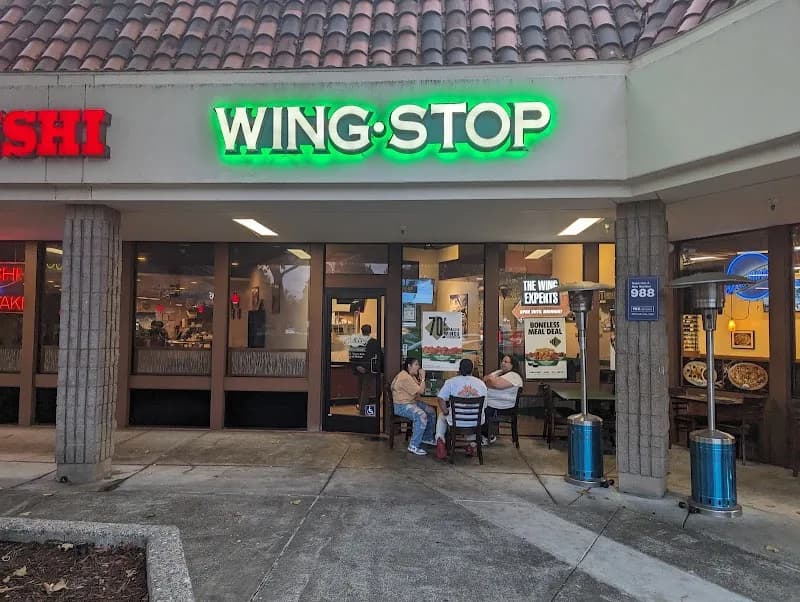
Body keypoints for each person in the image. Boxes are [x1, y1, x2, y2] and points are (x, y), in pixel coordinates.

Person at [434, 358, 488, 458]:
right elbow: (484, 406)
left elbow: (440, 398)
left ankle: (440, 439)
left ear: (459, 369)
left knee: (442, 416)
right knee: (477, 421)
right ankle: (471, 444)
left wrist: (446, 412)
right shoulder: (481, 384)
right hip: (475, 422)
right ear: (472, 370)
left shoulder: (451, 382)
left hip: (456, 421)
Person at [391, 358, 436, 455]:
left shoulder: (411, 376)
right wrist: (423, 378)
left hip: (411, 402)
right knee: (421, 415)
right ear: (409, 366)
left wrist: (420, 379)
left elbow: (418, 389)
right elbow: (421, 391)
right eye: (416, 364)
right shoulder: (405, 377)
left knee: (431, 411)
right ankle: (414, 445)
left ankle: (426, 438)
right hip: (402, 405)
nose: (418, 367)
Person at [482, 355, 524, 444]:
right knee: (479, 408)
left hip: (503, 407)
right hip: (494, 403)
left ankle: (487, 436)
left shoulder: (514, 376)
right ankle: (481, 435)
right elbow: (485, 379)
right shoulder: (501, 373)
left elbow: (496, 384)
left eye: (506, 362)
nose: (502, 363)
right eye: (502, 361)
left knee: (480, 411)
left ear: (512, 365)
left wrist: (491, 381)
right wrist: (491, 380)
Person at [353, 325, 382, 411]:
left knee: (360, 388)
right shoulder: (374, 342)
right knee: (366, 389)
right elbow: (379, 356)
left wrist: (357, 366)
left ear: (361, 331)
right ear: (370, 332)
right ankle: (362, 408)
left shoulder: (357, 342)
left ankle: (360, 405)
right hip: (369, 369)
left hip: (359, 368)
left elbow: (353, 355)